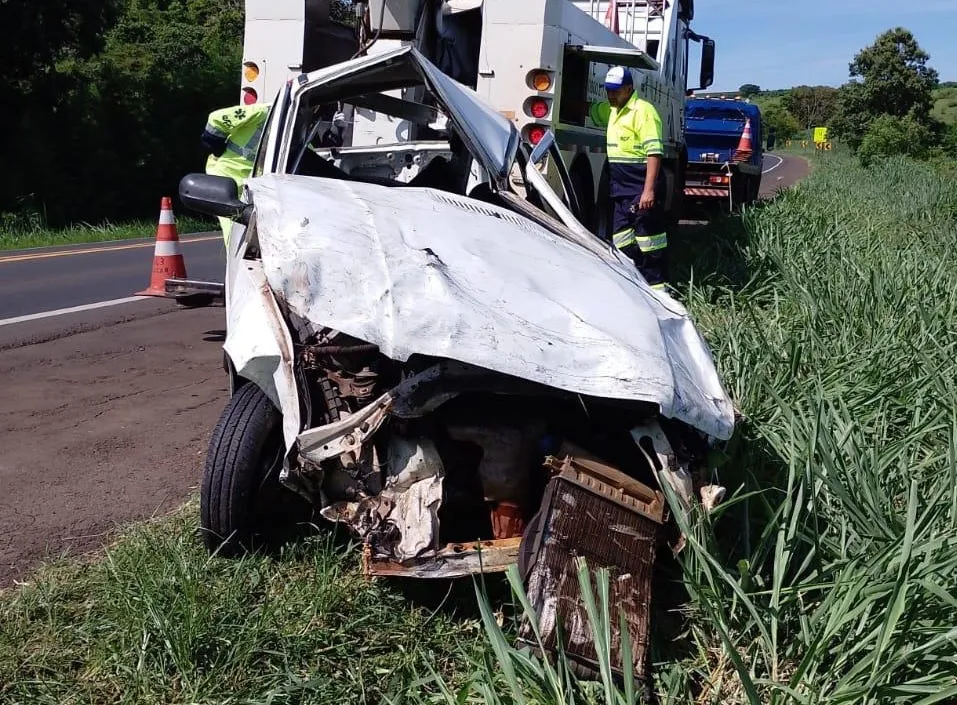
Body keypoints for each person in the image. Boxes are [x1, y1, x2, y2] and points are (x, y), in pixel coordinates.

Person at [588, 66, 668, 291]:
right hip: (621, 188)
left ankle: (658, 293)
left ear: (629, 88)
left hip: (640, 185)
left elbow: (654, 153)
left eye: (616, 91)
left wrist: (648, 190)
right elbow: (590, 110)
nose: (611, 95)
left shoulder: (643, 111)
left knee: (649, 242)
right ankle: (634, 286)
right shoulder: (612, 110)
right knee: (621, 239)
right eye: (608, 91)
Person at [200, 103, 271, 245]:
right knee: (234, 233)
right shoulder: (261, 112)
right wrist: (216, 146)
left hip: (252, 181)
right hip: (226, 176)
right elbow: (216, 118)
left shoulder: (293, 123)